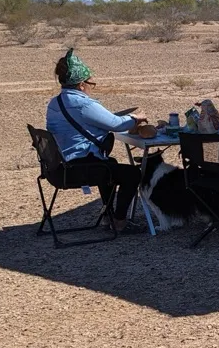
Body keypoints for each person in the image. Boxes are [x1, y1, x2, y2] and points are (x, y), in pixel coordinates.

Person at [46, 48, 147, 232]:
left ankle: (109, 217)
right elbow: (115, 124)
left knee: (110, 163)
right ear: (81, 84)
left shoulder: (55, 102)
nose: (91, 87)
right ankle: (120, 221)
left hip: (59, 168)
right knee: (132, 174)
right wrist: (136, 117)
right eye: (91, 83)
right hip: (79, 169)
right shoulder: (83, 103)